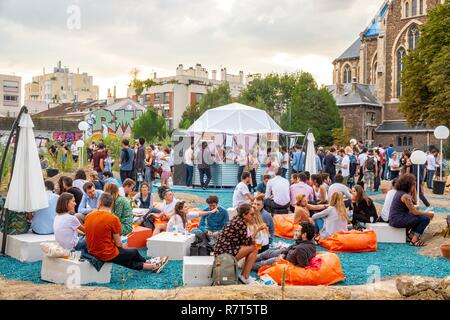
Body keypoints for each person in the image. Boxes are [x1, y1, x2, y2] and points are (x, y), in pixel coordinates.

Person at [84, 193, 168, 272]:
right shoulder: (113, 219)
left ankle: (151, 266)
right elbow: (118, 244)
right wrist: (123, 246)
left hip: (91, 251)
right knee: (133, 252)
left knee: (124, 257)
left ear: (100, 203)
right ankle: (150, 263)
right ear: (111, 205)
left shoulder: (88, 216)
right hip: (106, 253)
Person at [214, 203, 266, 285]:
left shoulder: (237, 220)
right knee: (254, 248)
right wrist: (257, 230)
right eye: (252, 214)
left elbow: (244, 241)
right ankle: (245, 277)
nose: (254, 216)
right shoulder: (241, 224)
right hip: (225, 254)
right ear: (244, 215)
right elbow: (246, 242)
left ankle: (244, 276)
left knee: (253, 247)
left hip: (222, 250)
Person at [389, 174, 434, 246]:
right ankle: (414, 240)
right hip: (397, 220)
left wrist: (414, 189)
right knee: (425, 219)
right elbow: (415, 212)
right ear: (409, 185)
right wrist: (428, 214)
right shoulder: (405, 196)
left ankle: (411, 235)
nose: (414, 186)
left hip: (395, 218)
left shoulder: (401, 192)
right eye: (413, 184)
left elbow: (414, 201)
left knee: (419, 217)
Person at [252, 221, 316, 271]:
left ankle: (247, 266)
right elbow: (292, 246)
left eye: (297, 231)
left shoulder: (301, 249)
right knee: (267, 253)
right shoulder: (305, 241)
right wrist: (283, 254)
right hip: (285, 254)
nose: (295, 232)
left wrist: (283, 262)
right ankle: (246, 260)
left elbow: (302, 266)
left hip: (285, 261)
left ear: (304, 235)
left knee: (263, 263)